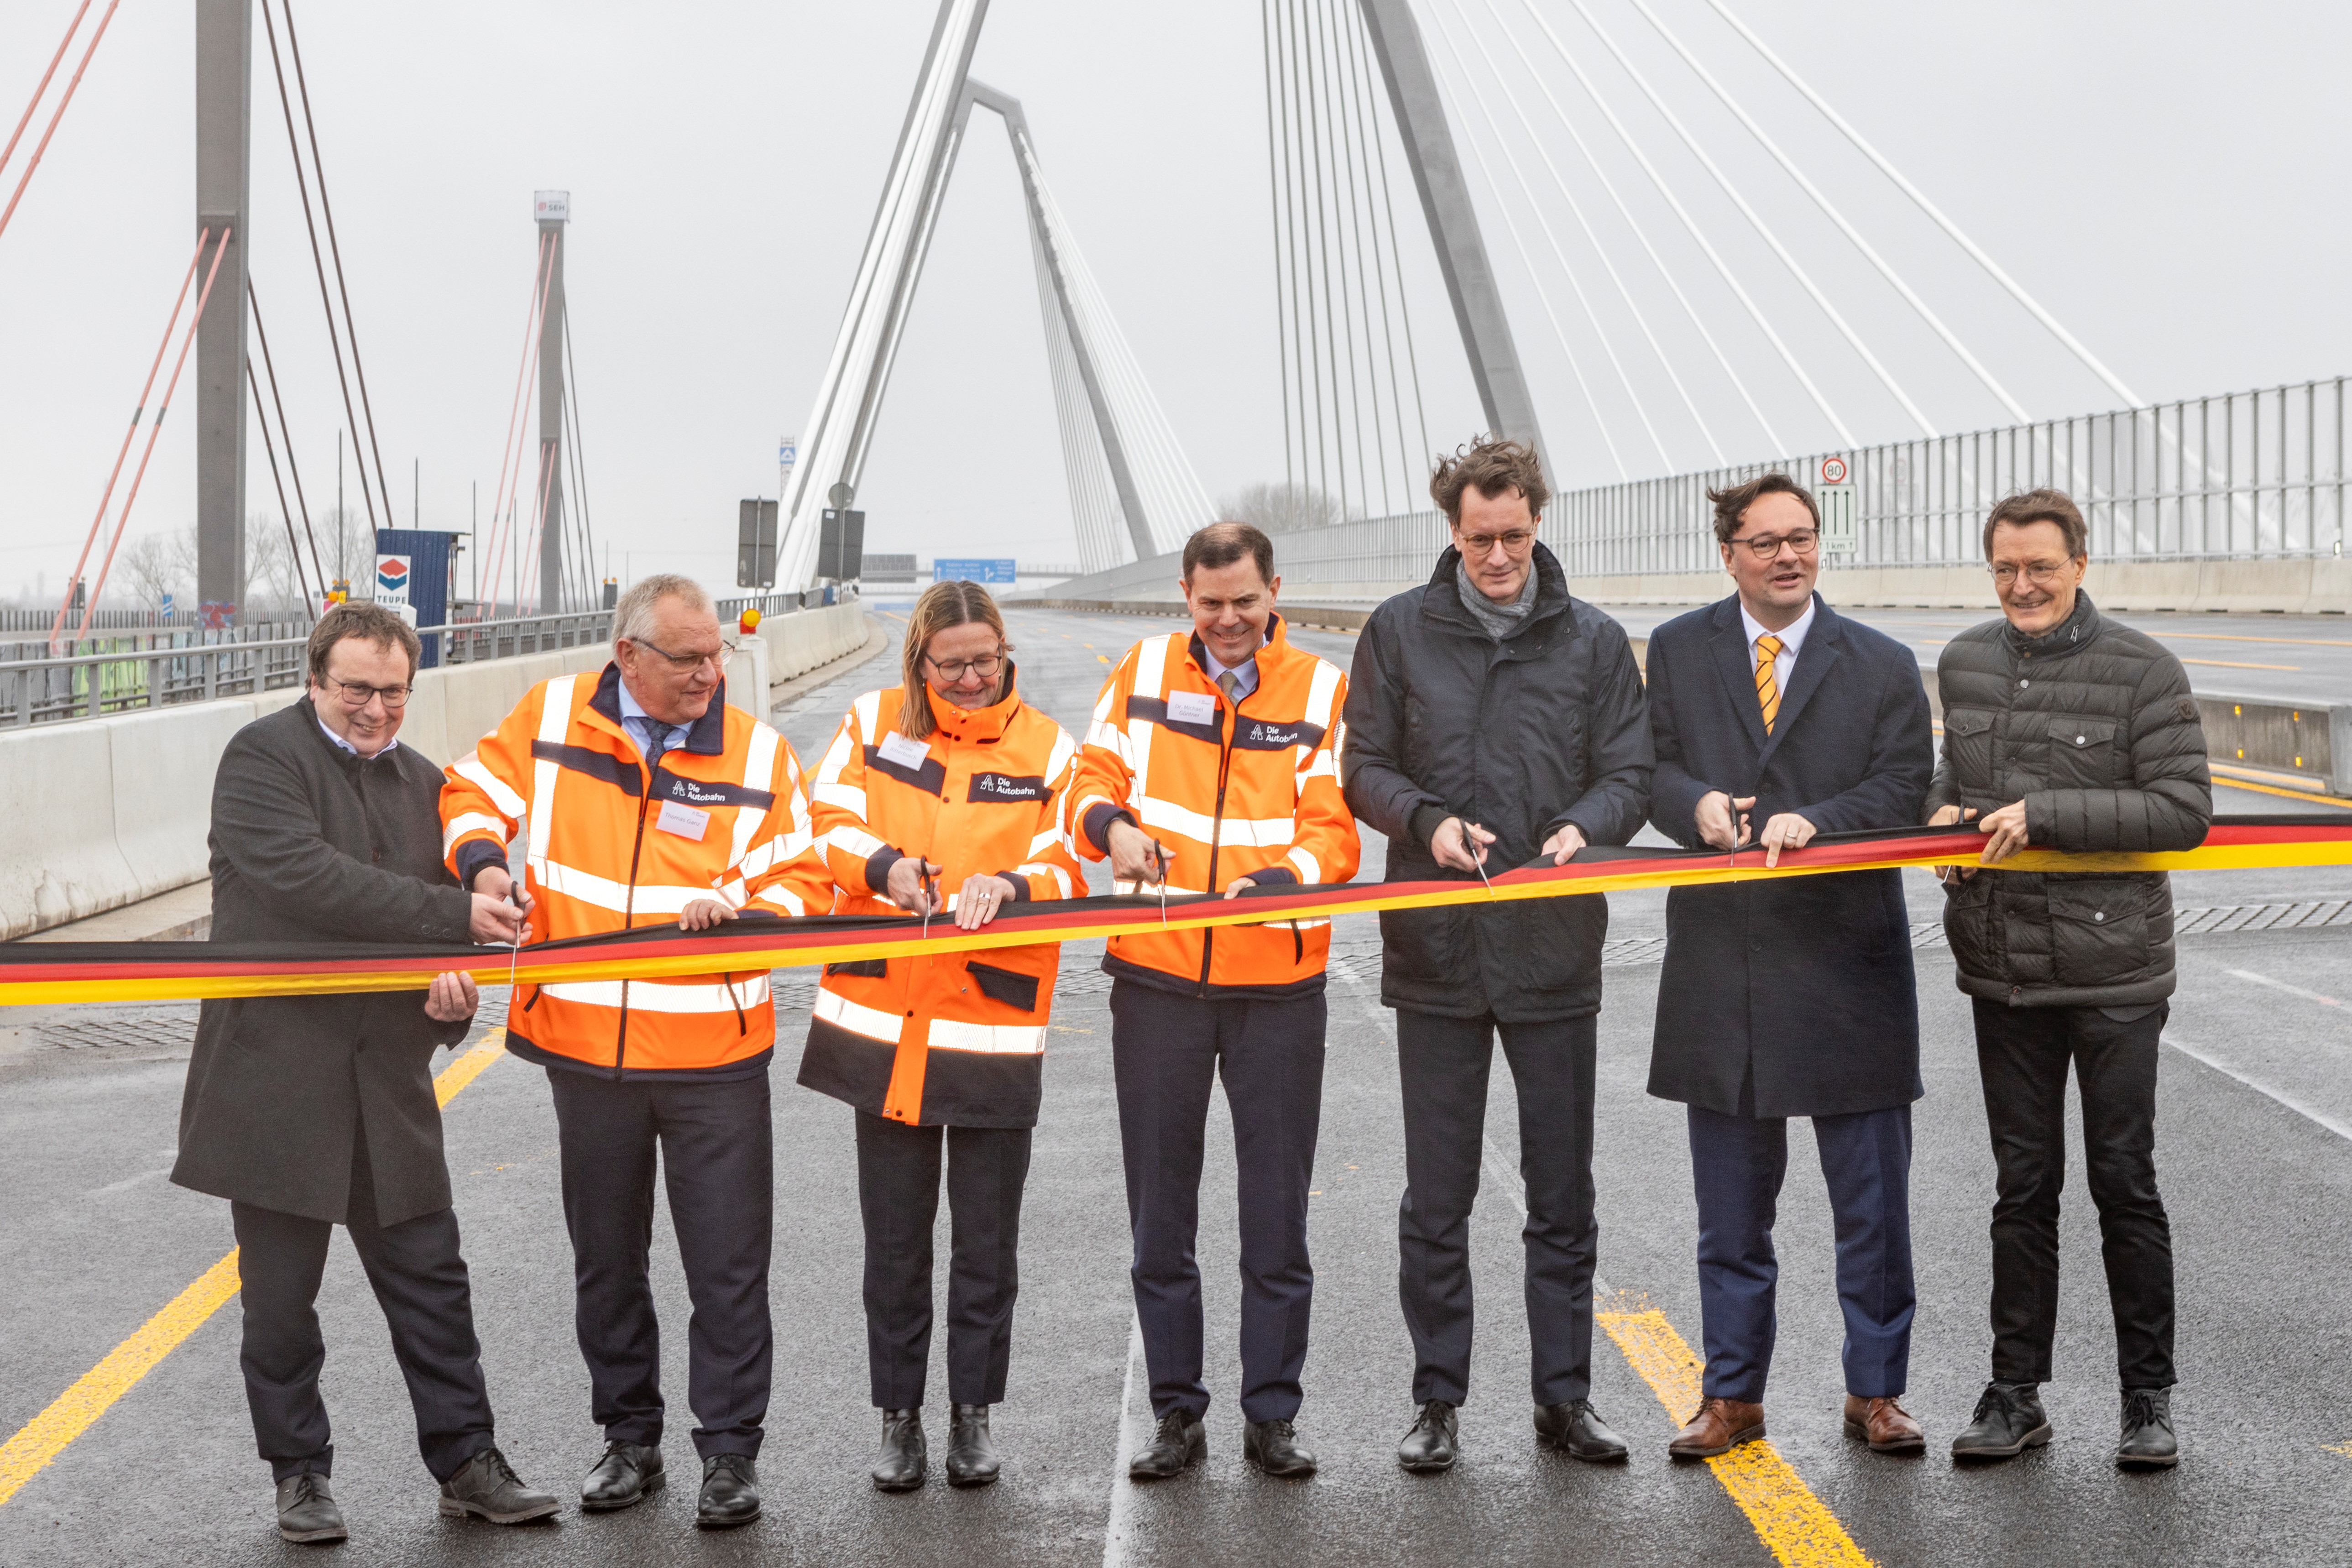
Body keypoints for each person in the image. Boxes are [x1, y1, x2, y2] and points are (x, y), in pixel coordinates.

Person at [439, 574, 826, 1529]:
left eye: (716, 654)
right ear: (628, 655)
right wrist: (485, 865)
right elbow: (467, 789)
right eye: (689, 658)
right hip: (586, 1047)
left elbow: (802, 873)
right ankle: (630, 1439)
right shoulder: (557, 712)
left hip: (711, 1053)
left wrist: (747, 910)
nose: (710, 673)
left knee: (727, 1264)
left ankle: (730, 1453)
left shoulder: (759, 750)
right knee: (606, 1259)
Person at [172, 600, 557, 1544]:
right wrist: (453, 915)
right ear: (315, 680)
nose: (376, 710)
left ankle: (468, 1462)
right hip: (274, 1085)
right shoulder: (261, 760)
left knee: (435, 1290)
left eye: (393, 692)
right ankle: (299, 1474)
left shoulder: (429, 785)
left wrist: (454, 1002)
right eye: (357, 689)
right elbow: (304, 880)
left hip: (387, 1086)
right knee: (279, 1307)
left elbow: (438, 964)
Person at [1339, 437, 1651, 1474]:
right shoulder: (1397, 632)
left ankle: (1565, 1398)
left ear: (1539, 520)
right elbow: (1365, 768)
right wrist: (1426, 821)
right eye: (1481, 537)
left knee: (1563, 1192)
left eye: (1516, 534)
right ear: (1452, 528)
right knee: (1438, 1197)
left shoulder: (1595, 642)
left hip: (1554, 949)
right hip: (1435, 952)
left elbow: (1630, 771)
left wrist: (1587, 824)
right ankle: (1437, 1398)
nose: (1500, 554)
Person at [1643, 473, 1935, 1461]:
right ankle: (1733, 1394)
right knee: (1730, 1214)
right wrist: (1694, 806)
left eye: (1802, 538)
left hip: (1849, 968)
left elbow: (1905, 782)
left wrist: (1827, 819)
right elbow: (1652, 766)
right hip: (1724, 971)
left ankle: (1878, 1390)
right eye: (1764, 542)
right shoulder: (1680, 651)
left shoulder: (1884, 662)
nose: (1787, 556)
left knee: (1874, 1212)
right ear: (1728, 553)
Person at [1069, 522, 1359, 1480]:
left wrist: (1285, 875)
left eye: (1246, 600)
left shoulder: (1320, 688)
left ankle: (1273, 1414)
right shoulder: (1143, 670)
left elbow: (1338, 831)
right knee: (1163, 1218)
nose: (1229, 620)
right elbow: (1090, 779)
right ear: (1186, 598)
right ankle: (1176, 1414)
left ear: (1275, 589)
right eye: (1210, 602)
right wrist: (1109, 827)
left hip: (1277, 986)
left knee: (1277, 1218)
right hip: (1157, 981)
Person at [1929, 489, 2210, 1470]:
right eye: (2005, 567)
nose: (2021, 585)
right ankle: (2015, 1394)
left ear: (2081, 562)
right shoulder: (1964, 660)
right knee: (2022, 1187)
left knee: (2124, 1181)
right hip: (2001, 968)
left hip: (2116, 971)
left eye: (2040, 566)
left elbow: (2183, 809)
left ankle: (2148, 1399)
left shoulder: (2144, 668)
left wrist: (2043, 809)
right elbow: (1952, 776)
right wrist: (1936, 816)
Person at [795, 580, 1087, 1492]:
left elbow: (1073, 850)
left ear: (1006, 654)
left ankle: (972, 1416)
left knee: (986, 1243)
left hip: (990, 1025)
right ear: (918, 661)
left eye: (986, 660)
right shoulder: (872, 723)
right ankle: (898, 1418)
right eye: (952, 663)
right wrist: (884, 867)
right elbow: (824, 818)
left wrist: (1012, 883)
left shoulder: (1046, 745)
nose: (971, 678)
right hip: (883, 1026)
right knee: (895, 1240)